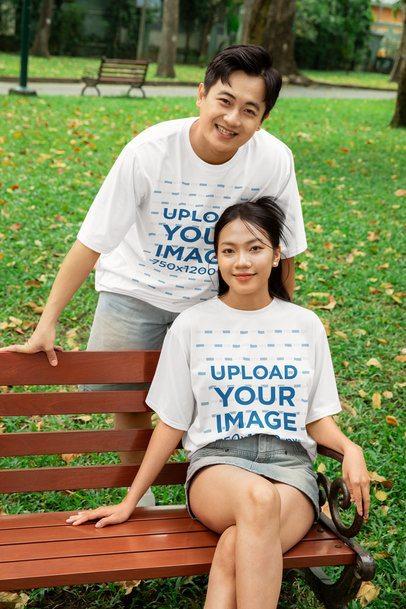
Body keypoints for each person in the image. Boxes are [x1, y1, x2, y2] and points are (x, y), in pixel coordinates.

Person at [1, 45, 306, 505]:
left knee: (215, 400)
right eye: (224, 101)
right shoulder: (150, 151)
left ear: (262, 119)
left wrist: (277, 321)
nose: (232, 119)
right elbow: (92, 240)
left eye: (250, 110)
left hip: (212, 300)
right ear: (201, 95)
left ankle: (210, 492)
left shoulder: (273, 161)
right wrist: (47, 323)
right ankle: (141, 501)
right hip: (135, 290)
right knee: (125, 401)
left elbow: (286, 250)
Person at [66, 198, 370, 609]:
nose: (241, 261)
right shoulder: (193, 325)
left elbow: (317, 419)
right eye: (228, 250)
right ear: (217, 257)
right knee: (257, 500)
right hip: (218, 467)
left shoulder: (305, 325)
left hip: (292, 471)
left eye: (255, 248)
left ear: (277, 254)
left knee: (235, 547)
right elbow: (170, 423)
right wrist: (130, 500)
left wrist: (350, 448)